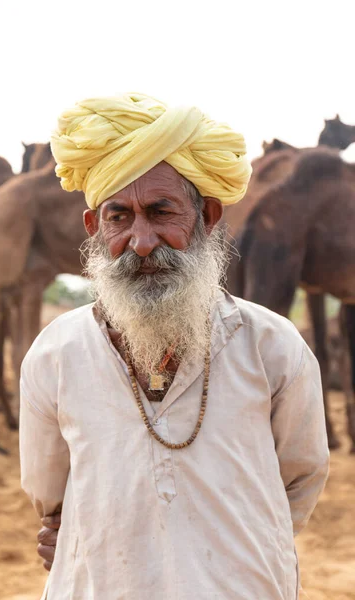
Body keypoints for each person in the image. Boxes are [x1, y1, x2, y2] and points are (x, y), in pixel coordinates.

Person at [20, 93, 329, 600]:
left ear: (207, 216)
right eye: (119, 217)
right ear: (95, 228)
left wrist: (227, 541)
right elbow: (50, 499)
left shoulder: (272, 347)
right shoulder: (55, 355)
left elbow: (299, 480)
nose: (142, 241)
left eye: (162, 212)